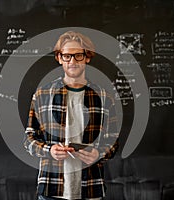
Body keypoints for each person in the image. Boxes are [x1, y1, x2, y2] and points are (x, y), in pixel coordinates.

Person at [24, 31, 119, 200]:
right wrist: (49, 150)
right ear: (59, 58)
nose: (73, 61)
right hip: (51, 188)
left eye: (78, 56)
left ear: (87, 58)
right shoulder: (42, 95)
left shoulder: (104, 97)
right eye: (67, 56)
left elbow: (113, 141)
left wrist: (99, 154)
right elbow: (29, 139)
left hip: (90, 186)